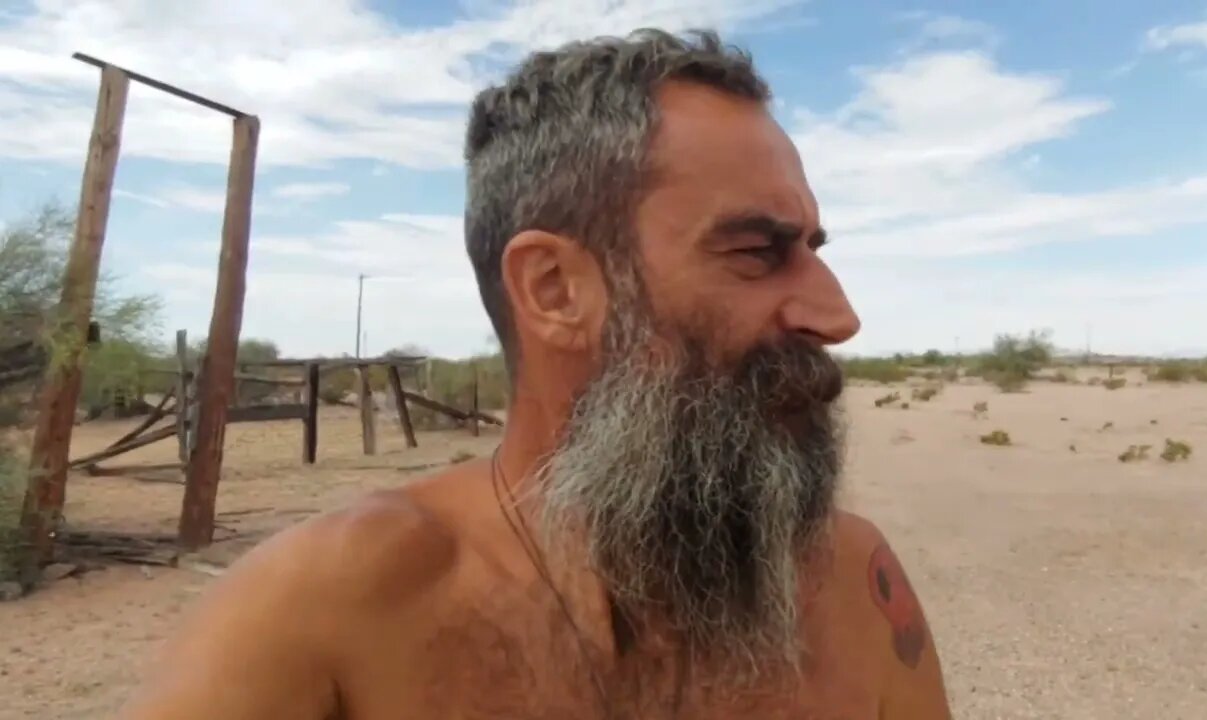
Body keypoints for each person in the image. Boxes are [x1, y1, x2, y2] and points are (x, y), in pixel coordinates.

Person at [120, 29, 952, 719]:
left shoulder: (852, 581)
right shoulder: (326, 611)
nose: (837, 316)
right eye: (755, 251)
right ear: (555, 290)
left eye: (812, 250)